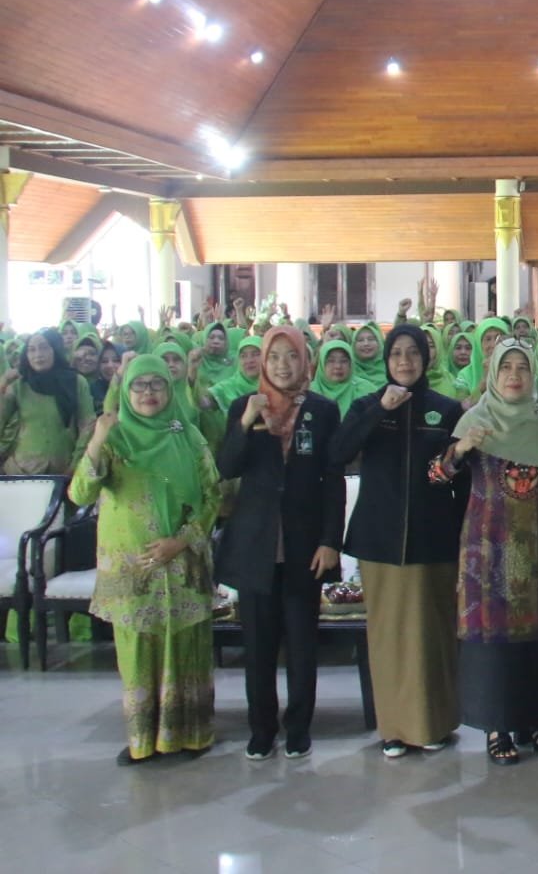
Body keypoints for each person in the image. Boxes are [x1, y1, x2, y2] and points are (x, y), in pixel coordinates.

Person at [429, 341, 538, 765]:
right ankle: (497, 725)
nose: (514, 375)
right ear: (492, 374)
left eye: (522, 368)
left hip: (535, 546)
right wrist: (460, 449)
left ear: (533, 376)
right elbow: (436, 475)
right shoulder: (475, 419)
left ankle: (534, 720)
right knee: (492, 638)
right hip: (486, 547)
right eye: (505, 367)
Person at [70, 354, 220, 764]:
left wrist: (182, 540)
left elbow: (213, 495)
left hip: (183, 562)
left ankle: (189, 736)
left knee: (185, 648)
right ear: (127, 389)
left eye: (157, 385)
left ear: (169, 390)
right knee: (138, 650)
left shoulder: (186, 434)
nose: (149, 393)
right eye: (139, 385)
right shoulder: (114, 438)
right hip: (132, 567)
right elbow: (80, 494)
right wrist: (99, 438)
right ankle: (144, 741)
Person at [331, 325, 467, 759]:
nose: (405, 361)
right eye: (397, 354)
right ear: (387, 361)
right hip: (380, 541)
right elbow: (336, 454)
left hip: (433, 540)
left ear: (427, 359)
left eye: (413, 353)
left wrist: (464, 535)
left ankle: (434, 724)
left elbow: (460, 475)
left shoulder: (445, 410)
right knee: (387, 636)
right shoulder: (368, 405)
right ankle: (392, 729)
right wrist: (377, 413)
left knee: (432, 636)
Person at [216, 326, 345, 760]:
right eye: (275, 358)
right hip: (256, 545)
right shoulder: (243, 407)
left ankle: (298, 728)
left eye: (291, 356)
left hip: (304, 545)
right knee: (258, 645)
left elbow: (333, 482)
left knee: (302, 643)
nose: (283, 365)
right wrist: (247, 423)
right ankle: (261, 728)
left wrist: (331, 541)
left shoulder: (323, 411)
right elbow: (227, 467)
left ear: (305, 360)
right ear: (262, 362)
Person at [2, 328, 94, 475]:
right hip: (20, 470)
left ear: (55, 350)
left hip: (63, 470)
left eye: (44, 348)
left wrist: (75, 465)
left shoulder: (75, 382)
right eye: (32, 350)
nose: (38, 355)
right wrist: (3, 384)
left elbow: (88, 426)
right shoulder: (19, 385)